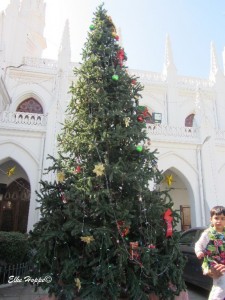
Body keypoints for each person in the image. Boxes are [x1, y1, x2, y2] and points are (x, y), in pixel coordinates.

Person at [195, 205, 225, 300]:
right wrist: (199, 252)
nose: (219, 221)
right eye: (216, 218)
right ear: (211, 219)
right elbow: (199, 244)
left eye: (222, 218)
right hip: (213, 261)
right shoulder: (208, 233)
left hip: (223, 260)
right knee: (220, 282)